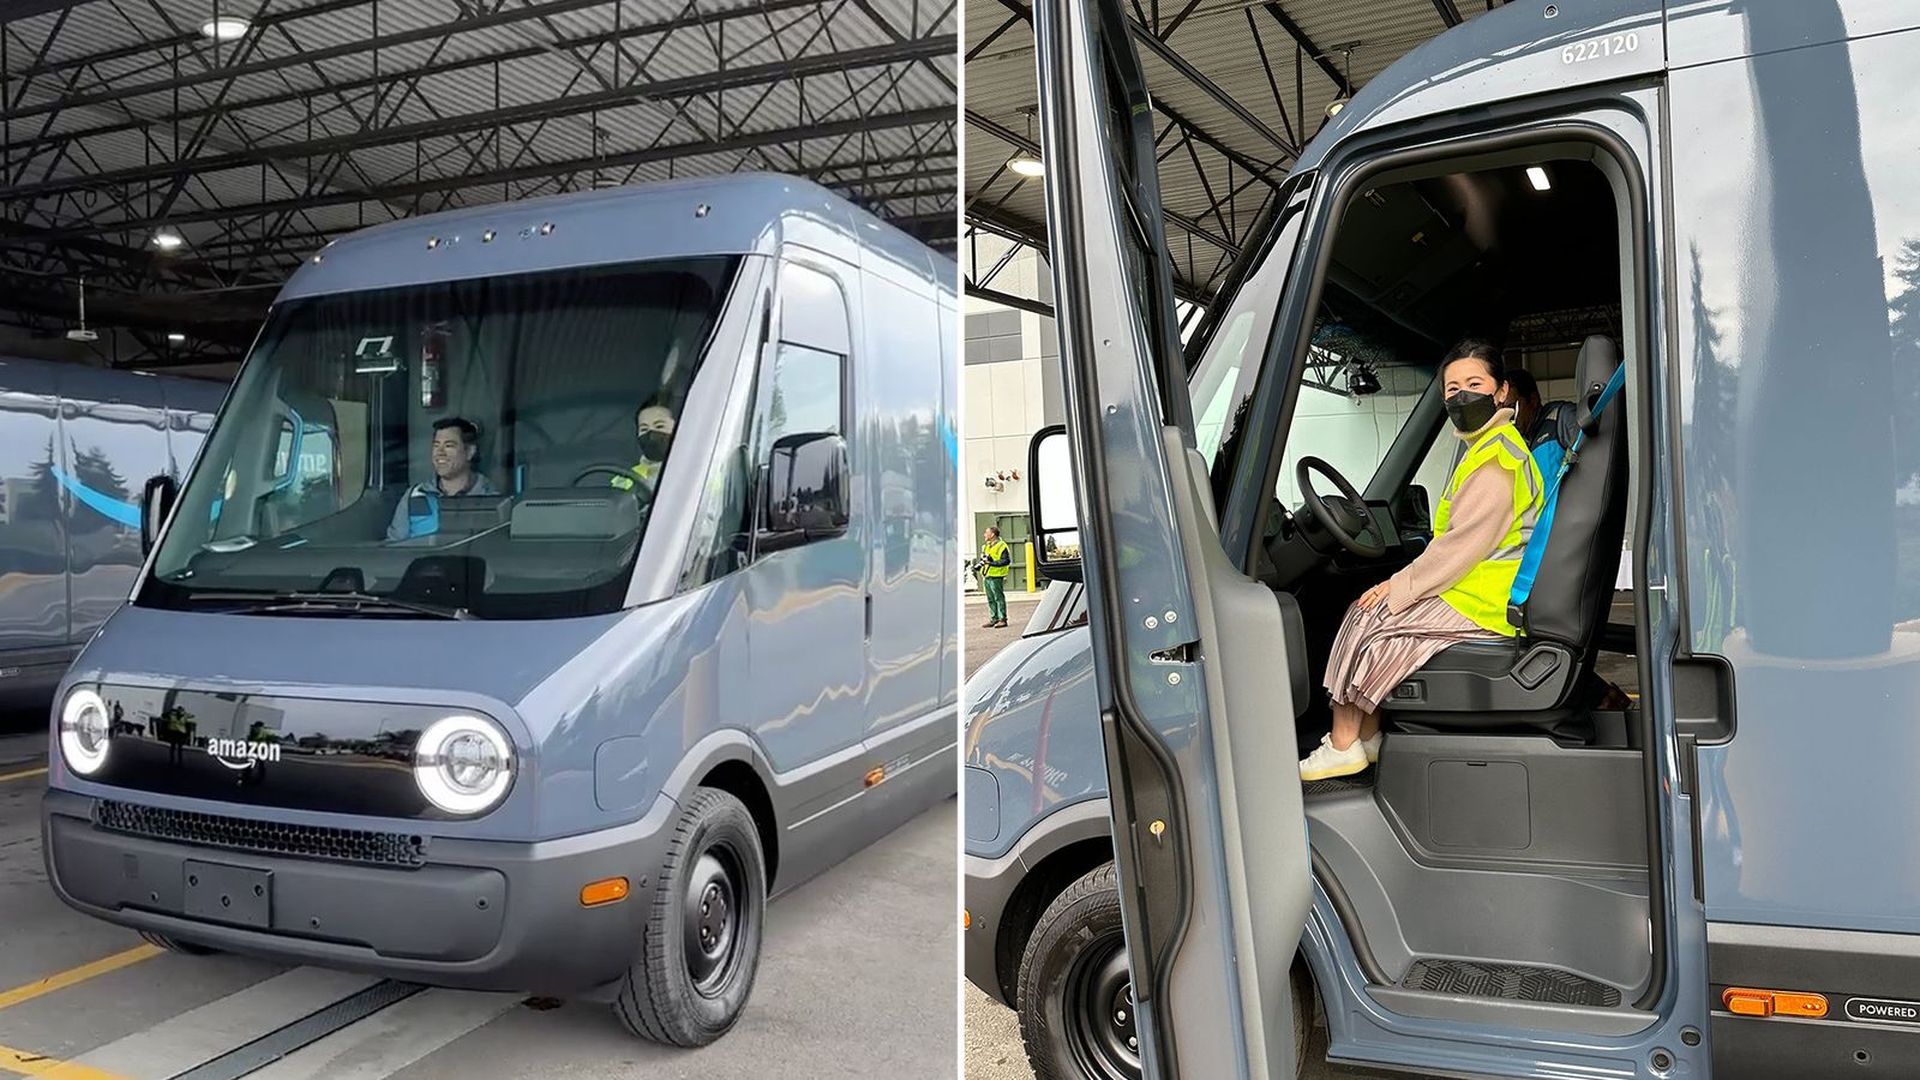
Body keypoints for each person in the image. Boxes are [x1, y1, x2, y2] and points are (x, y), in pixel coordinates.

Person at [1300, 339, 1544, 781]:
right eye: (1452, 389)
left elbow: (1457, 550)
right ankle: (1367, 737)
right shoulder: (1488, 448)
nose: (1461, 396)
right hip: (1476, 590)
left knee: (1367, 617)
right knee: (1371, 615)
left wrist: (1397, 587)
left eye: (1474, 384)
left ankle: (1341, 744)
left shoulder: (1497, 462)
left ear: (1502, 391)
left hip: (1485, 602)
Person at [386, 417, 499, 541]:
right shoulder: (414, 496)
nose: (440, 452)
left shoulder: (491, 498)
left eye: (449, 446)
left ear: (470, 452)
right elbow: (393, 548)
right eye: (436, 445)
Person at [610, 400, 676, 497]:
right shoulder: (626, 477)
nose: (651, 434)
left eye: (659, 426)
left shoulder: (700, 471)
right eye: (644, 429)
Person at [978, 525, 1012, 628]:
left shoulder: (1002, 546)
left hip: (996, 575)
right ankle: (994, 618)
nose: (984, 534)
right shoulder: (986, 546)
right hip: (987, 575)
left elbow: (1006, 561)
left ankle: (1002, 619)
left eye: (986, 532)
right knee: (990, 598)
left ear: (992, 534)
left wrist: (992, 563)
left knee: (998, 597)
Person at [1503, 367, 1543, 443]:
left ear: (1533, 400)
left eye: (1513, 407)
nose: (1508, 416)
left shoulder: (1559, 419)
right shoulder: (1512, 439)